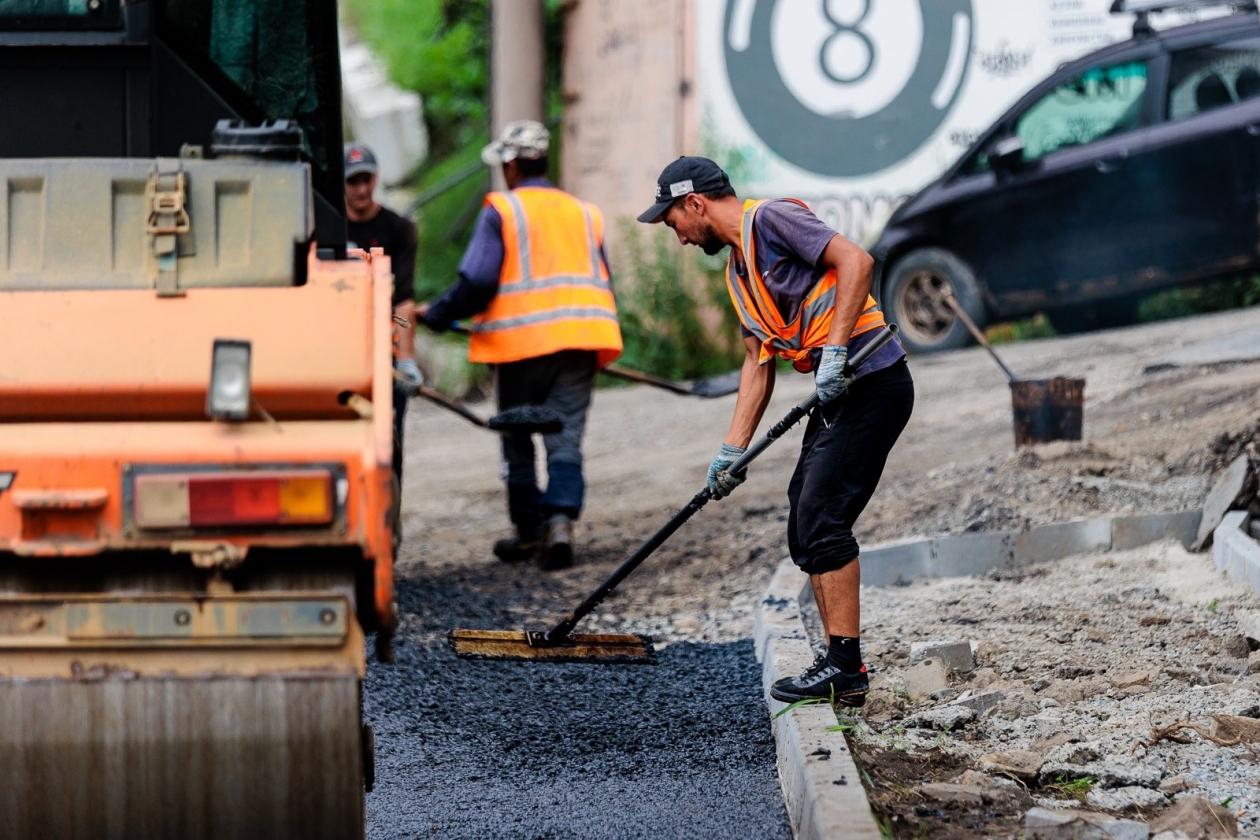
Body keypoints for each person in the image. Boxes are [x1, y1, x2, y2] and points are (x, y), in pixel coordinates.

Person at [638, 157, 914, 707]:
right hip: (843, 390)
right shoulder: (737, 272)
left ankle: (844, 667)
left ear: (695, 203)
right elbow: (755, 364)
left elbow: (857, 261)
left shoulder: (771, 220)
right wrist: (731, 452)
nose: (679, 238)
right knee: (802, 514)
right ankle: (836, 662)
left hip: (870, 378)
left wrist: (834, 350)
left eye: (673, 222)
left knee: (822, 516)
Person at [417, 120, 622, 571]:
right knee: (565, 436)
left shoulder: (504, 210)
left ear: (511, 165)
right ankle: (562, 520)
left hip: (521, 345)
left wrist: (437, 315)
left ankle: (530, 530)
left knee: (517, 436)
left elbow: (478, 278)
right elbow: (600, 275)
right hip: (582, 342)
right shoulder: (584, 212)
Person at [343, 142, 422, 485]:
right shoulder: (326, 227)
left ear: (376, 179)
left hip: (384, 351)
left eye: (366, 179)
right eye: (352, 181)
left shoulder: (398, 230)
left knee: (389, 443)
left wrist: (405, 358)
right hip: (339, 352)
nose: (361, 189)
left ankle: (387, 513)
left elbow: (402, 304)